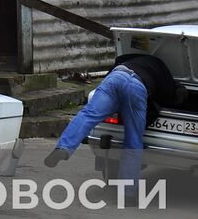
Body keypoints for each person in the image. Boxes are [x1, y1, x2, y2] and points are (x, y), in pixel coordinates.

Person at [44, 54, 186, 179]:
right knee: (133, 140)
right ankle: (127, 193)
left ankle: (63, 148)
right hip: (136, 86)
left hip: (114, 77)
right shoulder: (167, 77)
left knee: (88, 115)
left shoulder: (135, 59)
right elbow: (161, 102)